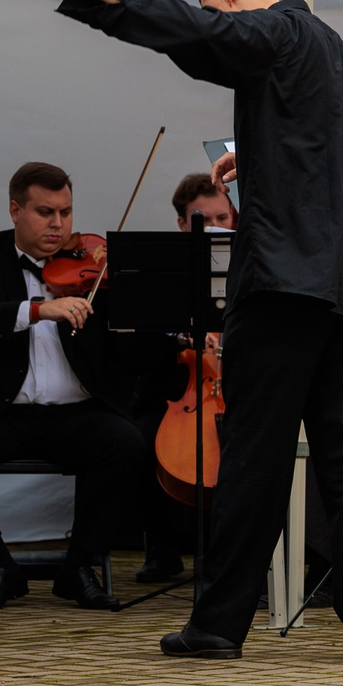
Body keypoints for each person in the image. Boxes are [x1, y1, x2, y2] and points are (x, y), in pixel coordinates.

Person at [54, 0, 343, 662]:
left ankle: (217, 624)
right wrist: (269, 149)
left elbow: (202, 35)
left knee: (255, 455)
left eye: (223, 11)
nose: (225, 27)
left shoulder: (274, 29)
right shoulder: (340, 54)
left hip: (286, 284)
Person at [0, 161, 148, 612]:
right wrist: (38, 310)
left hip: (74, 414)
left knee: (126, 442)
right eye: (45, 212)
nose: (58, 224)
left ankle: (78, 567)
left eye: (65, 212)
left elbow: (128, 353)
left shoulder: (94, 266)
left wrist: (127, 308)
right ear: (14, 210)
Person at [125, 170, 240, 584]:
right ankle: (162, 549)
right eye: (202, 220)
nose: (215, 228)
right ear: (181, 224)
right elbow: (137, 352)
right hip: (174, 390)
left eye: (222, 218)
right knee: (136, 437)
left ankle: (229, 551)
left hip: (236, 385)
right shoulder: (159, 268)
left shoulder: (250, 265)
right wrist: (176, 336)